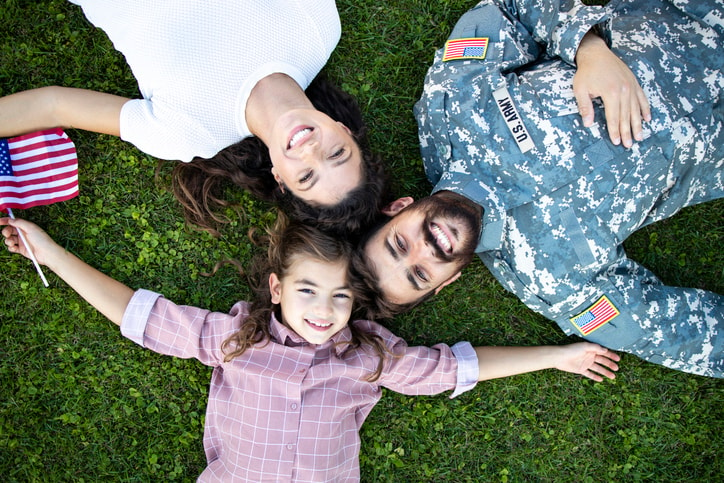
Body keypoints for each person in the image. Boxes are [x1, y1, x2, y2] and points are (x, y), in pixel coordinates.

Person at [1, 214, 619, 481]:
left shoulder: (370, 358)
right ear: (276, 289)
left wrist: (557, 355)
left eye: (340, 298)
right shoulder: (233, 339)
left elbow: (455, 367)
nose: (323, 313)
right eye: (307, 291)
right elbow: (141, 315)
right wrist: (50, 253)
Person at [360, 0, 723, 377]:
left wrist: (588, 47)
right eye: (419, 275)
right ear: (446, 282)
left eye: (399, 243)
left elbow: (508, 9)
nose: (426, 249)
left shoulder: (452, 107)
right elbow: (665, 330)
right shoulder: (551, 279)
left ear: (398, 207)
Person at [0, 1, 388, 236]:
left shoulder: (186, 134)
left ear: (279, 179)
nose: (310, 151)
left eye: (306, 177)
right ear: (344, 130)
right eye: (337, 154)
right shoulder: (318, 29)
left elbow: (54, 105)